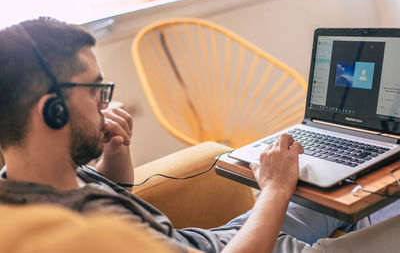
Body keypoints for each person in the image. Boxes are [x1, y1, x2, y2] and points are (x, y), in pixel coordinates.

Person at [0, 17, 370, 253]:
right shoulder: (85, 236)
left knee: (351, 184)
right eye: (96, 90)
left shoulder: (28, 181)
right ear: (54, 110)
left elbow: (116, 195)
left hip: (223, 237)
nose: (105, 102)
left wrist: (115, 152)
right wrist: (273, 190)